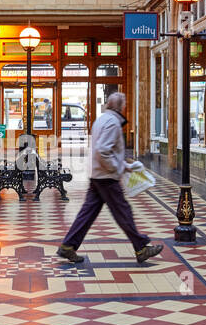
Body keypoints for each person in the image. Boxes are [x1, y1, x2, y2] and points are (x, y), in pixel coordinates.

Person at [57, 92, 163, 265]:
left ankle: (68, 246)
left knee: (87, 213)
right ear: (120, 106)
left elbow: (105, 150)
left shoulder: (102, 119)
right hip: (106, 177)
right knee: (123, 211)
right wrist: (117, 167)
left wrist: (124, 165)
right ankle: (141, 247)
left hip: (97, 175)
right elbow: (103, 151)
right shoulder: (113, 123)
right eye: (125, 105)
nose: (126, 108)